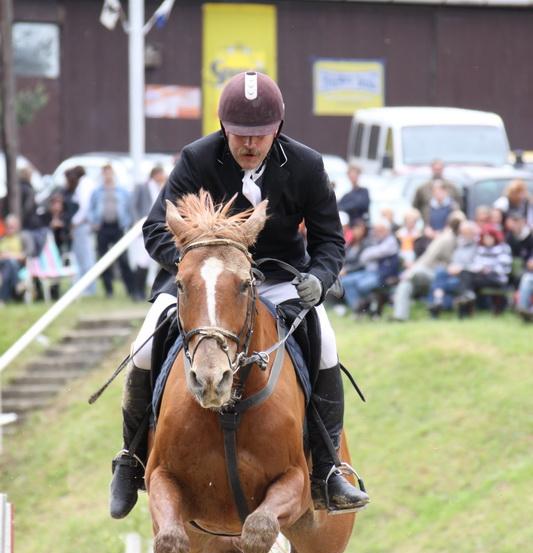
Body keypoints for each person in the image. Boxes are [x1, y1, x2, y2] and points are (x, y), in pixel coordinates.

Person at [109, 70, 370, 519]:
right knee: (144, 346)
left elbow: (330, 239)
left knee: (325, 342)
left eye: (260, 134)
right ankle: (130, 460)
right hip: (207, 280)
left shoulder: (306, 165)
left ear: (278, 129)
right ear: (223, 127)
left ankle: (328, 470)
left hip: (279, 279)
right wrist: (196, 263)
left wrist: (320, 278)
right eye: (239, 134)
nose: (249, 143)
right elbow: (154, 228)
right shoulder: (197, 158)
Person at [391, 210, 466, 321]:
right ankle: (400, 317)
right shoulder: (447, 238)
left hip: (439, 276)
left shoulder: (451, 238)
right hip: (431, 272)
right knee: (405, 284)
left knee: (408, 278)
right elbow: (429, 257)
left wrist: (410, 272)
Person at [88, 164, 135, 298]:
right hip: (102, 227)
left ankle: (130, 288)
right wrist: (94, 222)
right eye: (105, 173)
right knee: (103, 259)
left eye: (109, 173)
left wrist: (127, 223)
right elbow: (90, 209)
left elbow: (129, 208)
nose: (107, 176)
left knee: (123, 259)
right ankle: (108, 290)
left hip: (118, 227)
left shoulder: (122, 191)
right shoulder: (97, 191)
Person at [340, 218, 400, 314]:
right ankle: (357, 309)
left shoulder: (391, 241)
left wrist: (367, 253)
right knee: (345, 282)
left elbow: (369, 254)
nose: (377, 232)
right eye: (376, 230)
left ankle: (366, 309)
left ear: (387, 230)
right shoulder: (374, 240)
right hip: (368, 272)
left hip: (382, 274)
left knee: (362, 285)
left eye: (380, 230)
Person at [454, 223, 512, 315]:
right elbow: (476, 264)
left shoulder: (503, 248)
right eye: (485, 238)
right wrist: (480, 269)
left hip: (496, 278)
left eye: (489, 237)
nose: (487, 240)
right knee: (465, 273)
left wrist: (490, 269)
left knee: (469, 280)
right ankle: (467, 297)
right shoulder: (481, 249)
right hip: (482, 276)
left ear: (494, 237)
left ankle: (467, 296)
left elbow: (504, 268)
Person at [131, 165, 167, 301]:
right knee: (142, 261)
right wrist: (137, 221)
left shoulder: (163, 187)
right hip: (143, 227)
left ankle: (146, 292)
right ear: (155, 174)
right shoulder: (142, 187)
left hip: (157, 228)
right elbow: (133, 205)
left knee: (153, 261)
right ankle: (137, 291)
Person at [427, 220, 479, 316]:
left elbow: (478, 265)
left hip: (465, 277)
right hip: (452, 274)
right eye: (463, 233)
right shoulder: (459, 244)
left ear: (473, 233)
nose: (464, 235)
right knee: (440, 272)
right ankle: (438, 302)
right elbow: (454, 261)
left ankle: (438, 302)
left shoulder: (477, 246)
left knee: (437, 286)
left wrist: (461, 268)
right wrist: (451, 267)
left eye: (467, 232)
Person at [69, 166, 97, 295]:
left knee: (84, 258)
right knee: (87, 256)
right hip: (87, 224)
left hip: (82, 225)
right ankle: (88, 287)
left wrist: (74, 222)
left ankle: (88, 288)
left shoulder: (83, 185)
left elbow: (84, 207)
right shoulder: (89, 183)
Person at [0, 214, 31, 304]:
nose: (10, 229)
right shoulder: (2, 239)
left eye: (12, 227)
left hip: (17, 265)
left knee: (9, 265)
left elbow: (26, 255)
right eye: (8, 226)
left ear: (17, 226)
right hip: (2, 263)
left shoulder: (22, 237)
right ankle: (17, 283)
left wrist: (10, 255)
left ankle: (2, 299)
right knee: (8, 263)